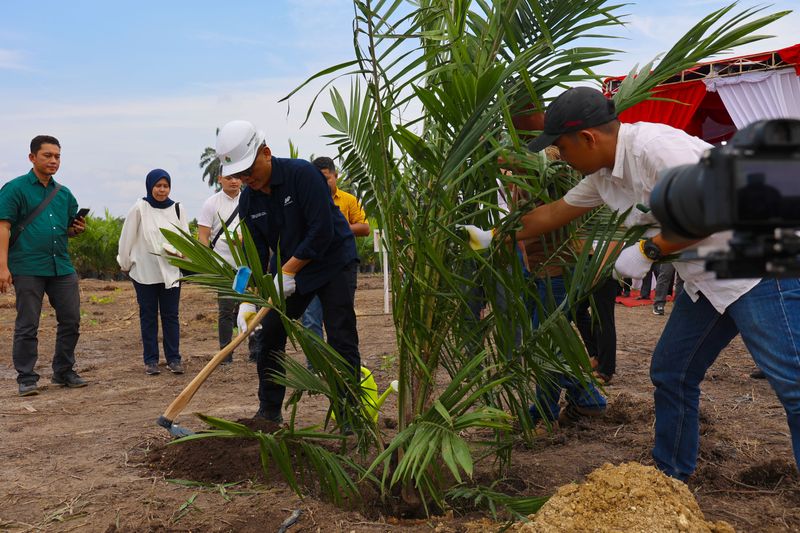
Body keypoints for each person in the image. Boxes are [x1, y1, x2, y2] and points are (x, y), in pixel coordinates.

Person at [489, 86, 800, 481]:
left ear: (587, 138)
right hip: (704, 280)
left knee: (794, 388)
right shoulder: (603, 175)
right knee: (672, 373)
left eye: (563, 148)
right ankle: (669, 478)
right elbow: (552, 213)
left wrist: (649, 250)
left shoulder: (656, 149)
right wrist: (492, 237)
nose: (560, 158)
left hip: (757, 267)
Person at [215, 120, 361, 424]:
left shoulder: (302, 175)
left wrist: (288, 272)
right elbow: (254, 253)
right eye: (238, 175)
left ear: (266, 153)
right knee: (270, 335)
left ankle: (350, 417)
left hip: (332, 262)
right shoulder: (248, 199)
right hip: (289, 272)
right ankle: (268, 413)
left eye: (248, 171)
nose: (245, 179)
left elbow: (321, 232)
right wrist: (245, 299)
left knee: (340, 336)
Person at [0, 135, 88, 396]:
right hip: (27, 266)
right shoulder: (14, 189)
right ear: (32, 158)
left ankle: (63, 371)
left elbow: (67, 229)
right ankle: (27, 377)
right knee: (28, 324)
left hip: (61, 266)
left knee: (71, 320)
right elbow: (3, 226)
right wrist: (3, 267)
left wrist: (76, 229)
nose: (53, 161)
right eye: (47, 155)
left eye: (57, 156)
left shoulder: (63, 194)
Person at [117, 169, 190, 375]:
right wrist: (125, 263)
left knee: (171, 315)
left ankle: (174, 359)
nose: (162, 190)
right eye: (158, 186)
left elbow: (185, 239)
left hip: (171, 272)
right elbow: (127, 238)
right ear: (150, 186)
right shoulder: (140, 208)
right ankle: (150, 360)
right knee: (148, 316)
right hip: (144, 273)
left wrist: (182, 255)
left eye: (165, 186)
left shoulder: (177, 208)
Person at [300, 157, 369, 347]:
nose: (323, 183)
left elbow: (364, 228)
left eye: (327, 178)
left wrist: (339, 227)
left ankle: (341, 364)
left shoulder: (348, 200)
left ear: (335, 176)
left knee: (340, 318)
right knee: (311, 319)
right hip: (312, 265)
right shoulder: (305, 202)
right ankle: (317, 366)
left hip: (342, 266)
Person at [198, 174, 260, 364]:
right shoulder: (211, 203)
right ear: (220, 179)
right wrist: (210, 263)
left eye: (237, 178)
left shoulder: (251, 198)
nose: (234, 181)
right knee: (225, 310)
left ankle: (255, 351)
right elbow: (203, 236)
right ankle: (226, 354)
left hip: (248, 266)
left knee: (251, 307)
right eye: (229, 178)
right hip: (224, 267)